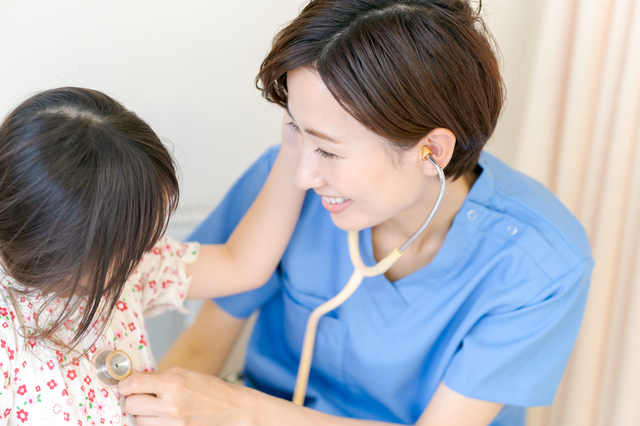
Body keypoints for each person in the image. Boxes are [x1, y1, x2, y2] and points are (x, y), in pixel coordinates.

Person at [119, 1, 594, 425]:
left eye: (327, 150)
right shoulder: (285, 180)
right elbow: (202, 348)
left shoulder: (540, 263)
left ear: (431, 151)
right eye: (295, 131)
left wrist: (239, 410)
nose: (303, 175)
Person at [0, 87, 304, 425]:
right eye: (132, 240)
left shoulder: (130, 265)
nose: (148, 248)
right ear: (64, 248)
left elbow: (241, 265)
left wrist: (294, 147)